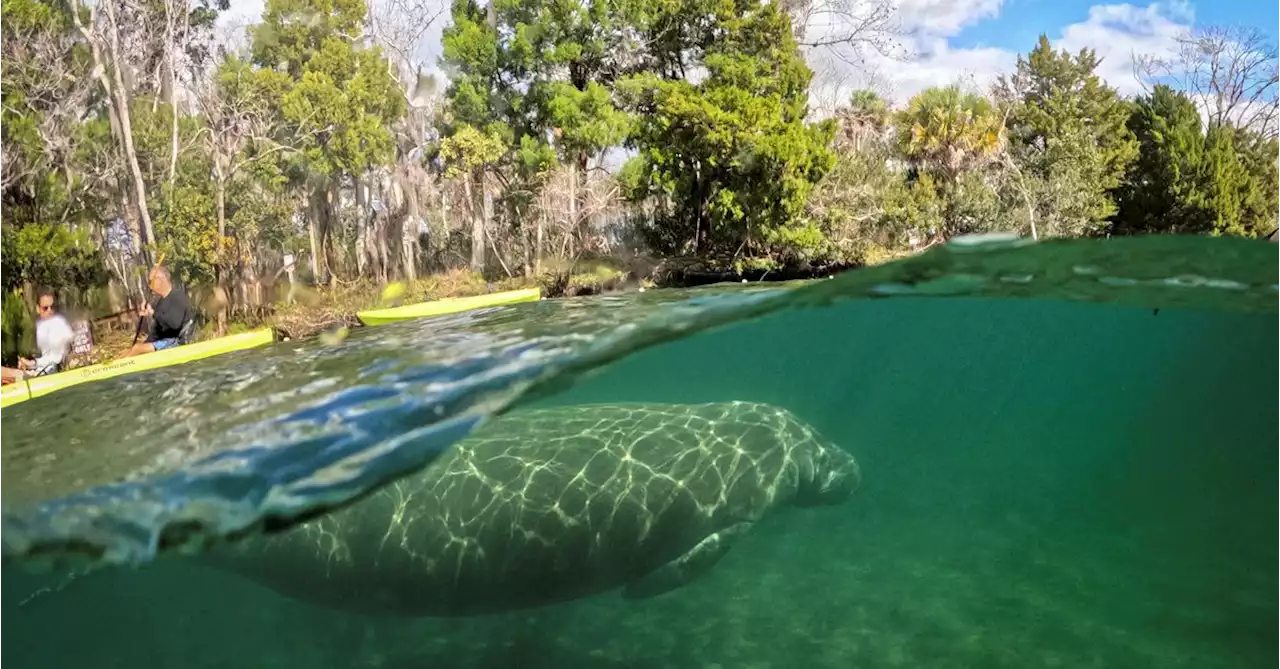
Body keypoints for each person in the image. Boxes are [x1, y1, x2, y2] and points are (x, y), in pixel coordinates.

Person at [119, 264, 197, 358]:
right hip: (165, 341)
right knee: (132, 350)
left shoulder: (178, 297)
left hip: (178, 342)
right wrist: (144, 344)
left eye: (151, 281)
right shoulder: (161, 303)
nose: (150, 285)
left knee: (137, 349)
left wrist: (153, 313)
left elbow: (174, 325)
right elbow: (157, 332)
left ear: (161, 280)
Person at [0, 289, 76, 383]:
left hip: (46, 378)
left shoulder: (59, 324)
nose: (50, 311)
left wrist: (32, 363)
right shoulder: (41, 326)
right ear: (38, 309)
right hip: (38, 374)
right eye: (45, 308)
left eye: (52, 307)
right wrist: (26, 364)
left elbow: (57, 358)